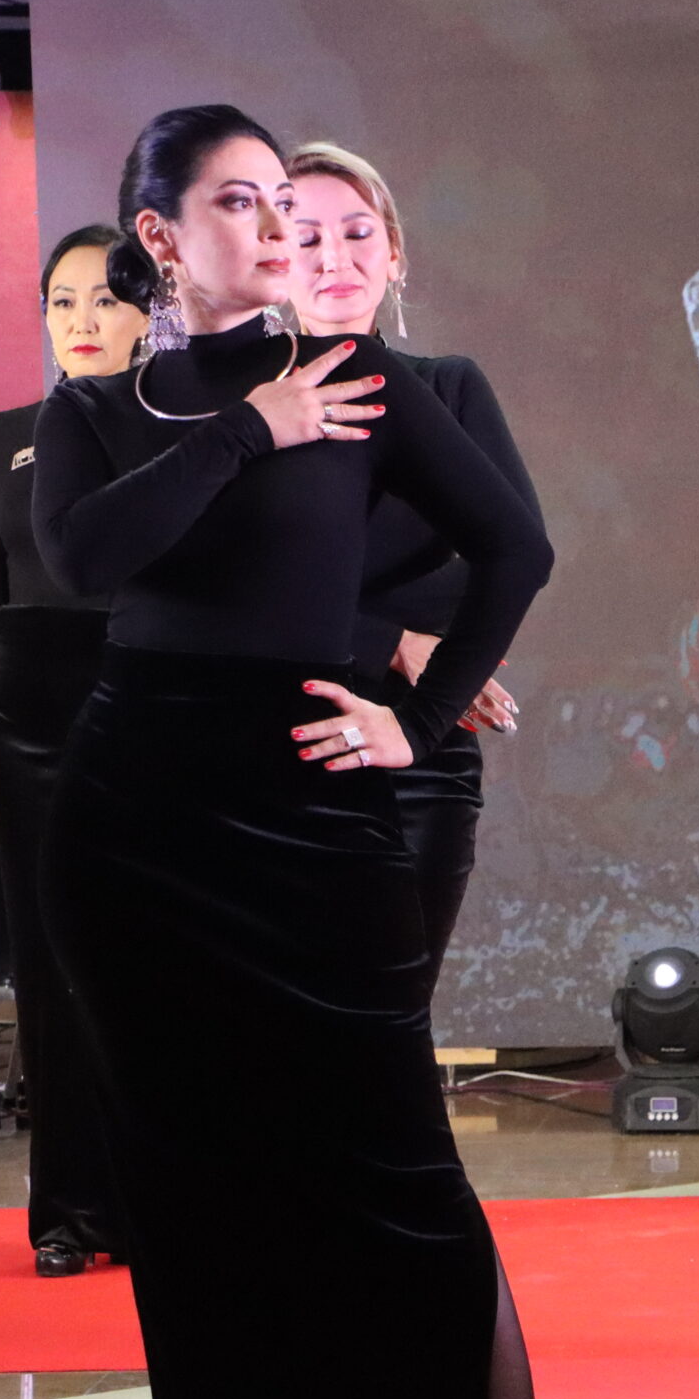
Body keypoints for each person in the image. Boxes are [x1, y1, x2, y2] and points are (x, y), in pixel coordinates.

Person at [30, 105, 599, 1399]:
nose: (278, 225)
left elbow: (516, 551)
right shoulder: (100, 407)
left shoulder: (363, 379)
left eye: (286, 197)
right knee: (191, 1181)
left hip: (309, 797)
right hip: (135, 813)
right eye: (242, 201)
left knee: (396, 1158)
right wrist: (244, 429)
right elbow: (84, 561)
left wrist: (419, 714)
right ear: (163, 237)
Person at [0, 225, 151, 1278]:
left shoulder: (187, 429)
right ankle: (70, 1211)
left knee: (157, 959)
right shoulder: (3, 438)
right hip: (25, 710)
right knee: (48, 960)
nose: (83, 321)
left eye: (106, 299)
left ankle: (166, 1205)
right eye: (62, 302)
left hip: (152, 699)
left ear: (148, 312)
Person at [283, 142, 527, 981]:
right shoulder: (246, 410)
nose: (335, 257)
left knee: (394, 1007)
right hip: (272, 740)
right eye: (306, 238)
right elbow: (220, 588)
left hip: (419, 746)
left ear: (394, 254)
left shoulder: (448, 388)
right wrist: (391, 640)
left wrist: (431, 687)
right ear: (273, 262)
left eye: (357, 233)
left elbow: (511, 554)